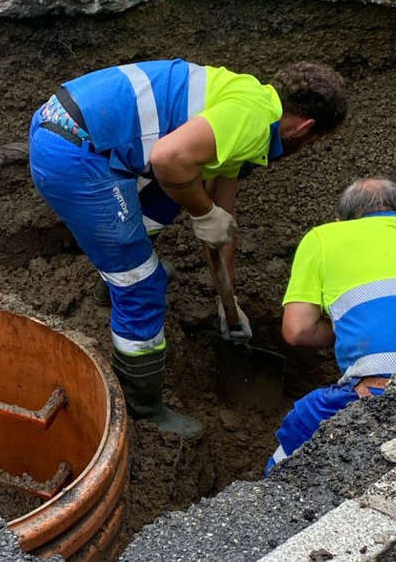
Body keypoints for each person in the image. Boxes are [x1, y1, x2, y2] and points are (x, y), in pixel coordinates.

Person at [28, 59, 348, 441]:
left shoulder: (250, 100)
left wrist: (227, 304)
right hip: (76, 149)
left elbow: (221, 217)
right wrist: (203, 211)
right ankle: (143, 409)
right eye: (314, 141)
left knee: (165, 203)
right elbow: (168, 160)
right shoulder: (251, 121)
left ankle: (115, 274)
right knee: (144, 285)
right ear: (306, 128)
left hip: (75, 126)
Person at [266, 178, 396, 474]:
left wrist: (346, 325)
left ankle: (268, 493)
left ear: (339, 221)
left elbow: (297, 330)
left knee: (303, 419)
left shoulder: (324, 237)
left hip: (385, 389)